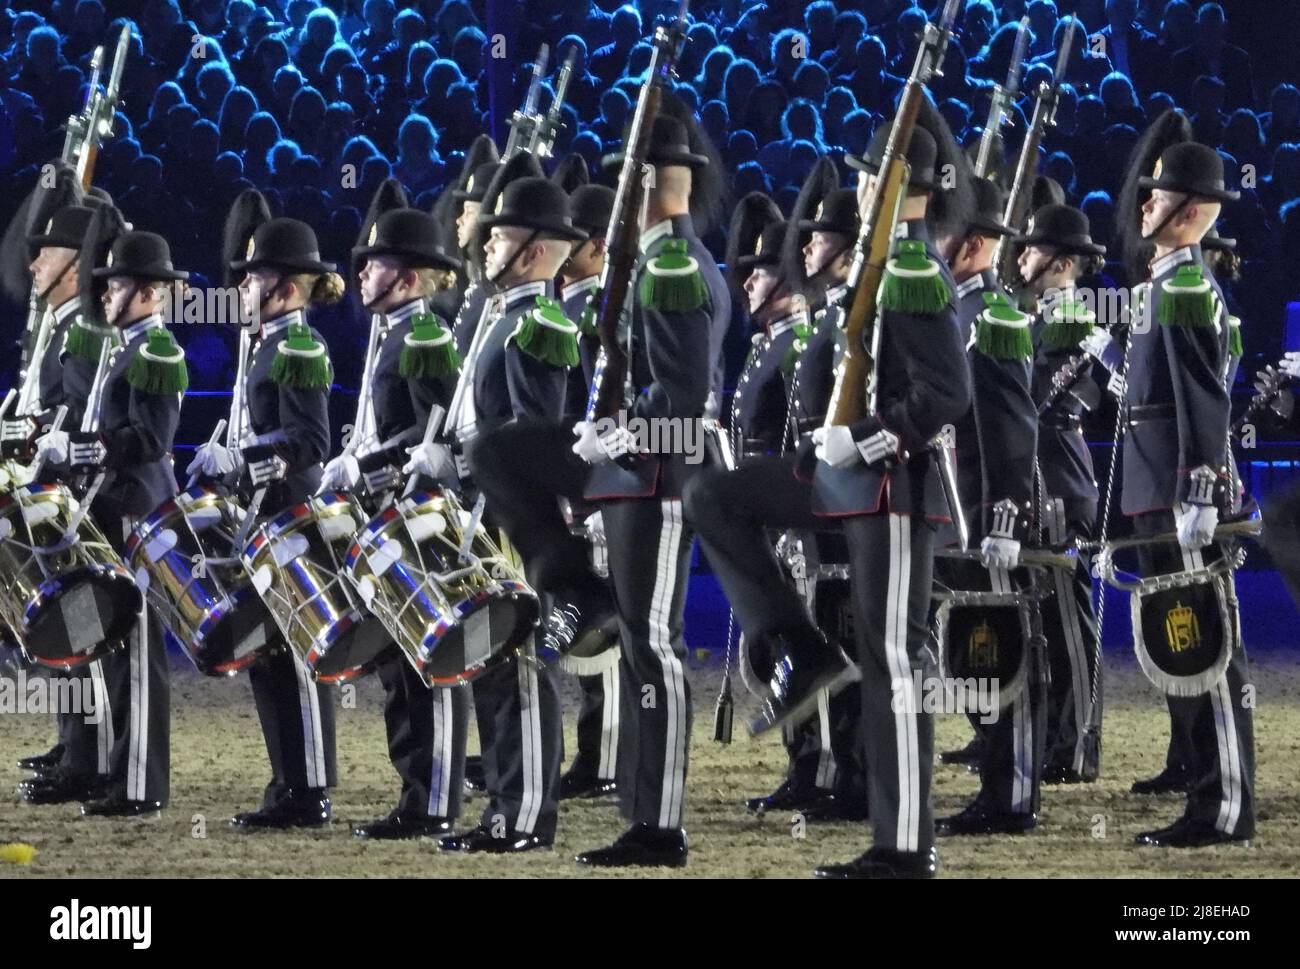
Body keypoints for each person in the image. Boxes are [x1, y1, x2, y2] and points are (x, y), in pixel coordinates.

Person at [809, 102, 973, 879]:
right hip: (874, 489)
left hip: (898, 488)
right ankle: (893, 832)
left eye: (874, 172)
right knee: (881, 660)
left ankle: (905, 842)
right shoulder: (891, 264)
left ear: (902, 182)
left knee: (897, 663)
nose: (863, 184)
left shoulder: (910, 268)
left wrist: (868, 436)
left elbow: (946, 391)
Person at [569, 109, 731, 869]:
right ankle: (642, 807)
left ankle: (660, 819)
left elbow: (684, 396)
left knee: (653, 645)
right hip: (647, 476)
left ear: (644, 182)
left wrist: (622, 435)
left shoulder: (669, 269)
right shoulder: (671, 262)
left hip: (661, 476)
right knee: (639, 642)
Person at [440, 165, 586, 853]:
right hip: (483, 517)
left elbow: (536, 439)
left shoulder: (539, 324)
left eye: (499, 236)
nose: (485, 244)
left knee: (522, 666)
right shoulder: (503, 316)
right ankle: (504, 807)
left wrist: (469, 462)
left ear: (532, 251)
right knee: (494, 669)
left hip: (515, 524)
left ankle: (524, 815)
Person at [1121, 139, 1255, 847]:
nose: (1145, 202)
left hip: (1179, 492)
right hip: (1157, 490)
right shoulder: (1164, 286)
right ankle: (1205, 794)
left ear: (1194, 211)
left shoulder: (1184, 289)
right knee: (1183, 648)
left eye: (1160, 193)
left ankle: (1224, 803)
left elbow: (1204, 401)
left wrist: (1200, 489)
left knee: (1206, 647)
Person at [190, 210, 340, 828]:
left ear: (281, 288)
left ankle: (310, 789)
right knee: (267, 655)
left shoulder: (299, 347)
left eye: (251, 279)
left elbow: (308, 442)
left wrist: (243, 458)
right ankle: (288, 781)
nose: (241, 291)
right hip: (263, 517)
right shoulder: (265, 344)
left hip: (292, 518)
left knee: (296, 656)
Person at [33, 228, 190, 817]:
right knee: (111, 652)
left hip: (137, 513)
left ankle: (140, 785)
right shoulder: (122, 349)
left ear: (148, 291)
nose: (104, 294)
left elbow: (149, 439)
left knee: (139, 657)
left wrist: (77, 451)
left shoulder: (155, 352)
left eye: (117, 283)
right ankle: (115, 772)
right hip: (107, 510)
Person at [324, 190, 466, 839]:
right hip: (387, 512)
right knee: (398, 662)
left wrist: (367, 465)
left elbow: (427, 437)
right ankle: (419, 789)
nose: (360, 275)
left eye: (374, 264)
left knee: (421, 660)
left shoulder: (427, 334)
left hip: (416, 513)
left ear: (407, 276)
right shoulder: (397, 331)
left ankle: (432, 797)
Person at [1016, 204, 1108, 787]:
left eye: (1032, 250)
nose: (1021, 258)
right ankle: (1052, 735)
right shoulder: (1035, 318)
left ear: (1063, 264)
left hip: (1060, 476)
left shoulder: (1073, 319)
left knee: (1070, 620)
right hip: (1038, 474)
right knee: (1044, 617)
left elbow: (1043, 396)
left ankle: (1076, 745)